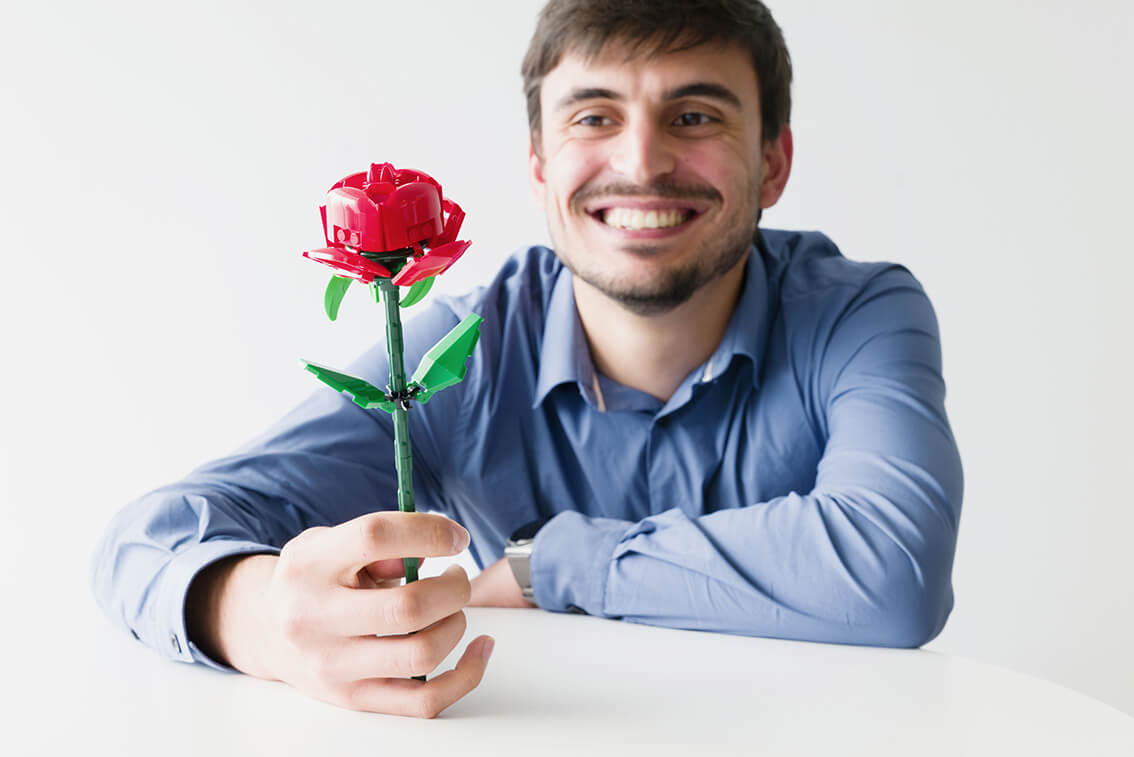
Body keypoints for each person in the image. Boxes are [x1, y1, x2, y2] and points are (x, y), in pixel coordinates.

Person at [91, 0, 963, 719]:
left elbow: (894, 571)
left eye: (694, 115)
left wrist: (550, 564)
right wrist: (257, 615)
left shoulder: (858, 312)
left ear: (773, 162)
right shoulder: (455, 357)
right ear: (540, 162)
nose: (642, 161)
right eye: (594, 116)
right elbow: (147, 540)